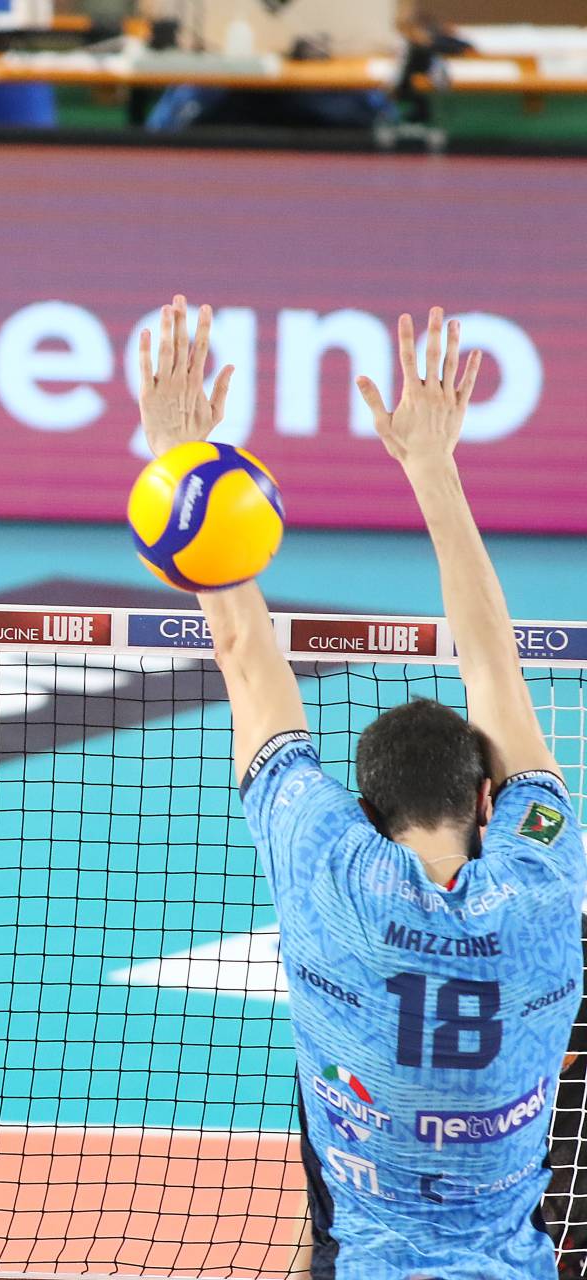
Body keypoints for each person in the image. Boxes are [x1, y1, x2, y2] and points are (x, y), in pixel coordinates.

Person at [138, 297, 584, 1278]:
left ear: (368, 815)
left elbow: (243, 651)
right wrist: (434, 464)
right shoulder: (544, 881)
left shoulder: (330, 867)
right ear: (487, 801)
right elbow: (496, 671)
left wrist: (181, 461)